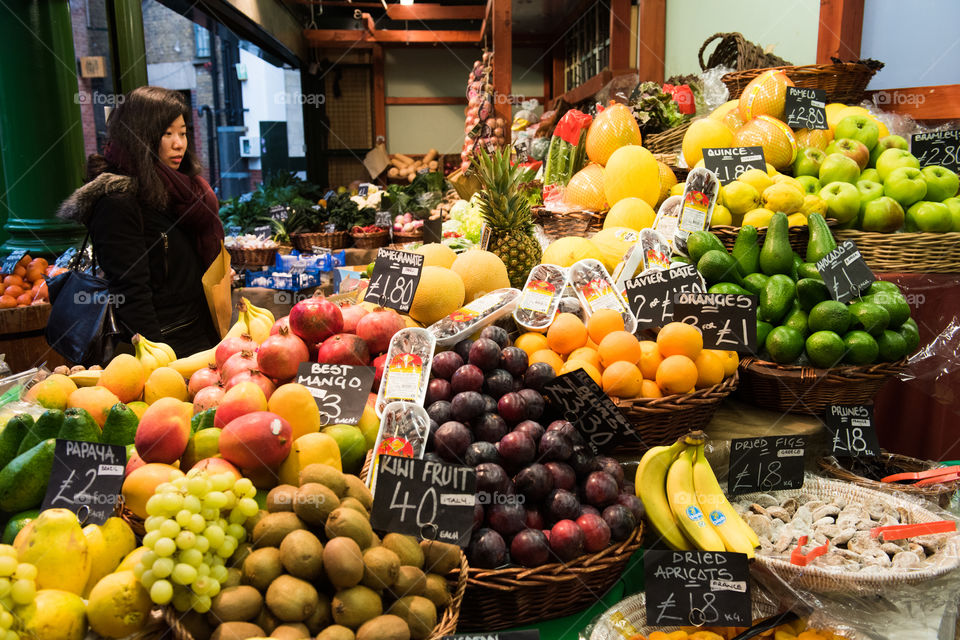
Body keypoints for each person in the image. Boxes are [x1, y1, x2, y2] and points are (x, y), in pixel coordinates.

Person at [58, 86, 224, 356]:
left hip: (200, 333)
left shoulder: (181, 191)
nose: (179, 143)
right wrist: (158, 362)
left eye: (182, 133)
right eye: (167, 133)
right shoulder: (117, 202)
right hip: (166, 347)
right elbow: (132, 296)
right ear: (140, 135)